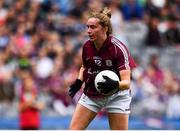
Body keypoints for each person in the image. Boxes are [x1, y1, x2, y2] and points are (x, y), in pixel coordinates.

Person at [68, 7, 136, 130]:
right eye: (87, 27)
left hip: (117, 95)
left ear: (105, 29)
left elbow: (127, 82)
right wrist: (79, 81)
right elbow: (84, 66)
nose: (88, 31)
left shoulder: (118, 49)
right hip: (92, 94)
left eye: (93, 27)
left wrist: (114, 85)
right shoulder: (87, 46)